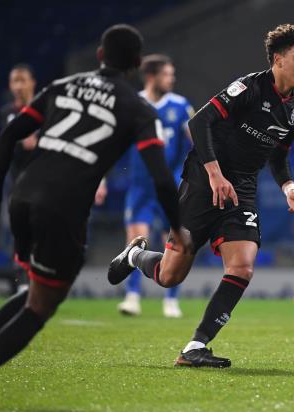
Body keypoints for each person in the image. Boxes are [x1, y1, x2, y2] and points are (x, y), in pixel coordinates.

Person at [0, 24, 188, 408]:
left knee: (32, 291)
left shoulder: (63, 85)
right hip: (63, 208)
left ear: (100, 56)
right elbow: (161, 177)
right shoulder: (138, 108)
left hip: (21, 198)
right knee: (41, 306)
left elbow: (7, 136)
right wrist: (177, 227)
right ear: (137, 65)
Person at [108, 23, 294, 368]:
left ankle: (195, 346)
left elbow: (278, 156)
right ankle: (135, 257)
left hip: (242, 190)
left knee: (243, 266)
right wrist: (215, 174)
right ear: (278, 60)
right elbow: (198, 123)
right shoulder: (248, 87)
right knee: (170, 275)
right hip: (204, 181)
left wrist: (290, 189)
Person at [116, 54, 194, 318]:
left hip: (170, 186)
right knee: (135, 240)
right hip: (139, 186)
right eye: (166, 74)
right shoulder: (132, 104)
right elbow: (116, 144)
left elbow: (193, 144)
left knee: (173, 241)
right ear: (151, 77)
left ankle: (171, 300)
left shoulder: (181, 106)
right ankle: (133, 297)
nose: (171, 79)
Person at [0, 63, 38, 292]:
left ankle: (40, 280)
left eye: (22, 80)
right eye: (15, 81)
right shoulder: (7, 114)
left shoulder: (47, 109)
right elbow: (3, 148)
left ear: (32, 82)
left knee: (43, 234)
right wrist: (19, 141)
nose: (18, 86)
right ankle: (23, 283)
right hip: (18, 185)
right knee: (21, 234)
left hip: (46, 184)